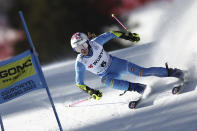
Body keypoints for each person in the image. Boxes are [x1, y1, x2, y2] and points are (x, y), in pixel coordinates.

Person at [70, 31, 185, 100]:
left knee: (143, 72)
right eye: (78, 48)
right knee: (105, 81)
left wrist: (129, 36)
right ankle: (140, 88)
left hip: (117, 64)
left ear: (88, 42)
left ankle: (175, 72)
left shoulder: (96, 43)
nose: (82, 50)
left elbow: (111, 34)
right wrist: (92, 92)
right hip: (108, 75)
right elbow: (79, 83)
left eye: (84, 45)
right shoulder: (80, 62)